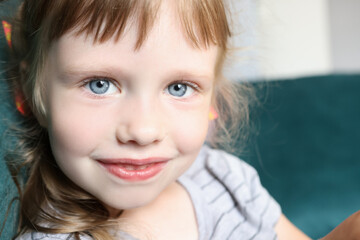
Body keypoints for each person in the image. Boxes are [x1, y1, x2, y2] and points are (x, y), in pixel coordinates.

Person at [2, 0, 359, 239]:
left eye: (178, 88)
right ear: (28, 92)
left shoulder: (225, 181)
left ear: (212, 100)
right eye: (100, 84)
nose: (143, 131)